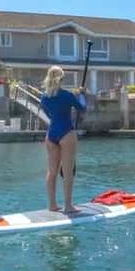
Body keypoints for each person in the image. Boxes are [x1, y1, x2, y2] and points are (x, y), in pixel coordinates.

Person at [40, 66, 86, 214]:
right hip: (66, 133)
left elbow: (49, 113)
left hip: (51, 134)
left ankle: (52, 205)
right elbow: (82, 107)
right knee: (67, 172)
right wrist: (82, 94)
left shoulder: (44, 98)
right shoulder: (67, 95)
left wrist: (76, 94)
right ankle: (68, 206)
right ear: (61, 79)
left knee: (52, 171)